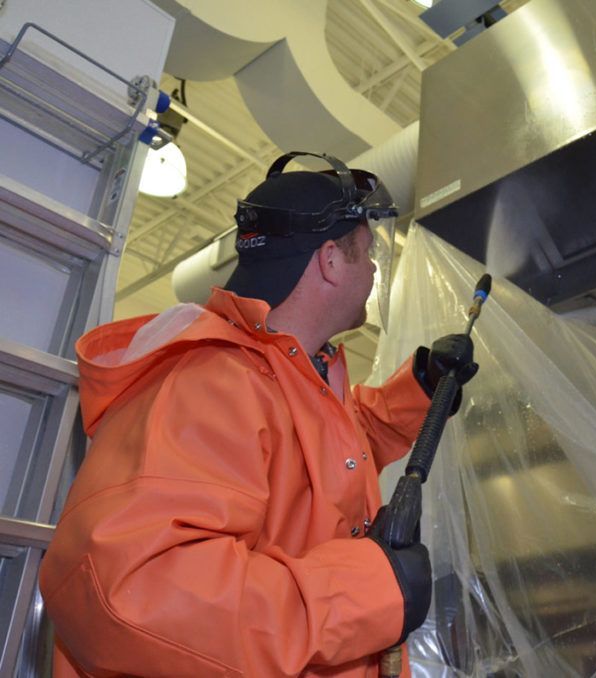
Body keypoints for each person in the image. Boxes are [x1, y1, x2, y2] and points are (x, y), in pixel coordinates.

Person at [39, 152, 477, 677]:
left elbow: (332, 451)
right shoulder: (208, 384)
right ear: (330, 261)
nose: (376, 267)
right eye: (366, 253)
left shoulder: (283, 373)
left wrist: (421, 389)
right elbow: (134, 591)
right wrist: (364, 591)